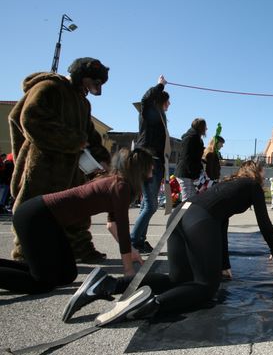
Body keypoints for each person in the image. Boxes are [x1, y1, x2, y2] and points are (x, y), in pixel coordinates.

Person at [63, 161, 273, 325]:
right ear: (254, 173)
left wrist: (224, 264)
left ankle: (108, 284)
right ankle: (150, 305)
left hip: (180, 213)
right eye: (262, 171)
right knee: (206, 287)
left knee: (177, 279)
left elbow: (222, 225)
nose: (264, 175)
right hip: (199, 219)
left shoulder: (229, 185)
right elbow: (264, 222)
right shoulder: (252, 186)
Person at [0, 148, 151, 295]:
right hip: (36, 217)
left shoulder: (116, 184)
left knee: (67, 275)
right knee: (42, 283)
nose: (153, 170)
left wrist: (131, 250)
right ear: (141, 169)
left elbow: (112, 225)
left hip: (48, 220)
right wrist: (129, 271)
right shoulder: (121, 187)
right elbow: (123, 232)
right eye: (151, 166)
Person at [8, 57, 112, 263]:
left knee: (77, 209)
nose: (97, 88)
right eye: (96, 82)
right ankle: (25, 254)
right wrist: (73, 140)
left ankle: (80, 248)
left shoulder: (82, 101)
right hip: (43, 164)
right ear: (82, 76)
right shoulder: (49, 87)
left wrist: (102, 158)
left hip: (73, 166)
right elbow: (30, 119)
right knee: (34, 209)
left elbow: (90, 134)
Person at [131, 75, 171, 254]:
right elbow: (145, 99)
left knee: (146, 205)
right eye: (167, 101)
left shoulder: (160, 118)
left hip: (156, 162)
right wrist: (160, 86)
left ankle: (140, 241)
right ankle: (133, 242)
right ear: (160, 101)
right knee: (151, 205)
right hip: (148, 161)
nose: (169, 104)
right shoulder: (148, 112)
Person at [175, 118, 207, 202]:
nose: (206, 129)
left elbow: (192, 156)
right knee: (187, 200)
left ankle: (186, 211)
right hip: (186, 173)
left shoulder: (193, 138)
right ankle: (183, 211)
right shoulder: (192, 138)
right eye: (205, 127)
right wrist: (194, 175)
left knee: (191, 199)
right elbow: (187, 157)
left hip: (187, 173)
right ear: (201, 127)